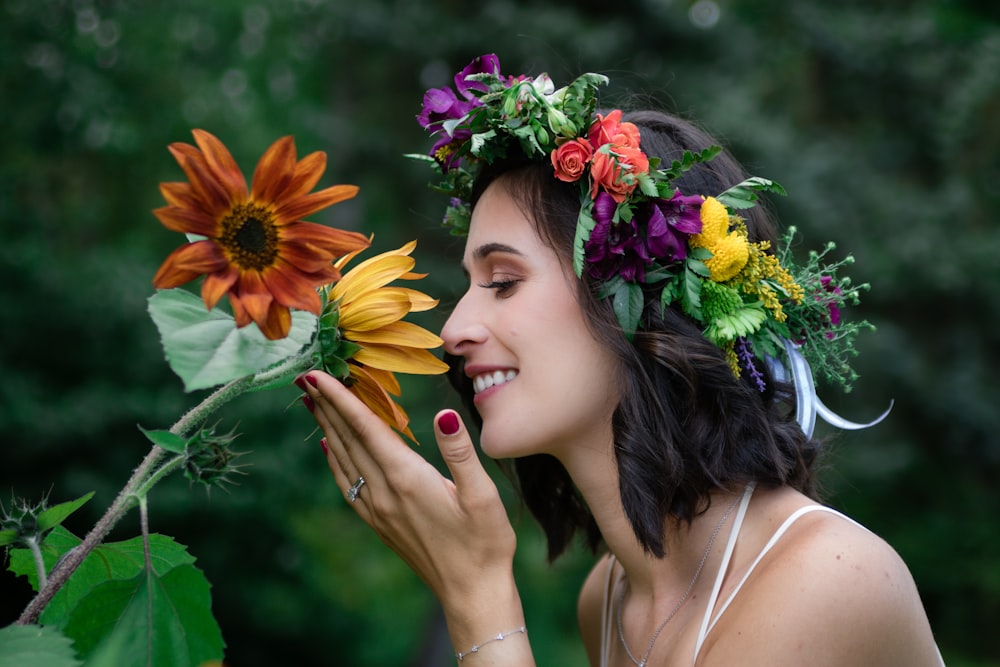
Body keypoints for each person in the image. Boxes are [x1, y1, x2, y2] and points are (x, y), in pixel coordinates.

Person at [296, 54, 943, 666]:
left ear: (637, 298)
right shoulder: (607, 599)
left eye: (503, 280)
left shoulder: (823, 576)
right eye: (469, 285)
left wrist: (476, 596)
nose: (455, 329)